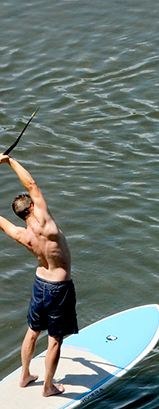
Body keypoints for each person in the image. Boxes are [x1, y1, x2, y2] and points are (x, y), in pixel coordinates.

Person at [0, 154, 77, 396]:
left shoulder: (22, 235)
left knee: (33, 331)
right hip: (59, 288)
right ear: (32, 207)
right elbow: (31, 184)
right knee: (55, 339)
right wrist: (9, 161)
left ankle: (24, 375)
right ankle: (48, 386)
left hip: (40, 283)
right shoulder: (45, 221)